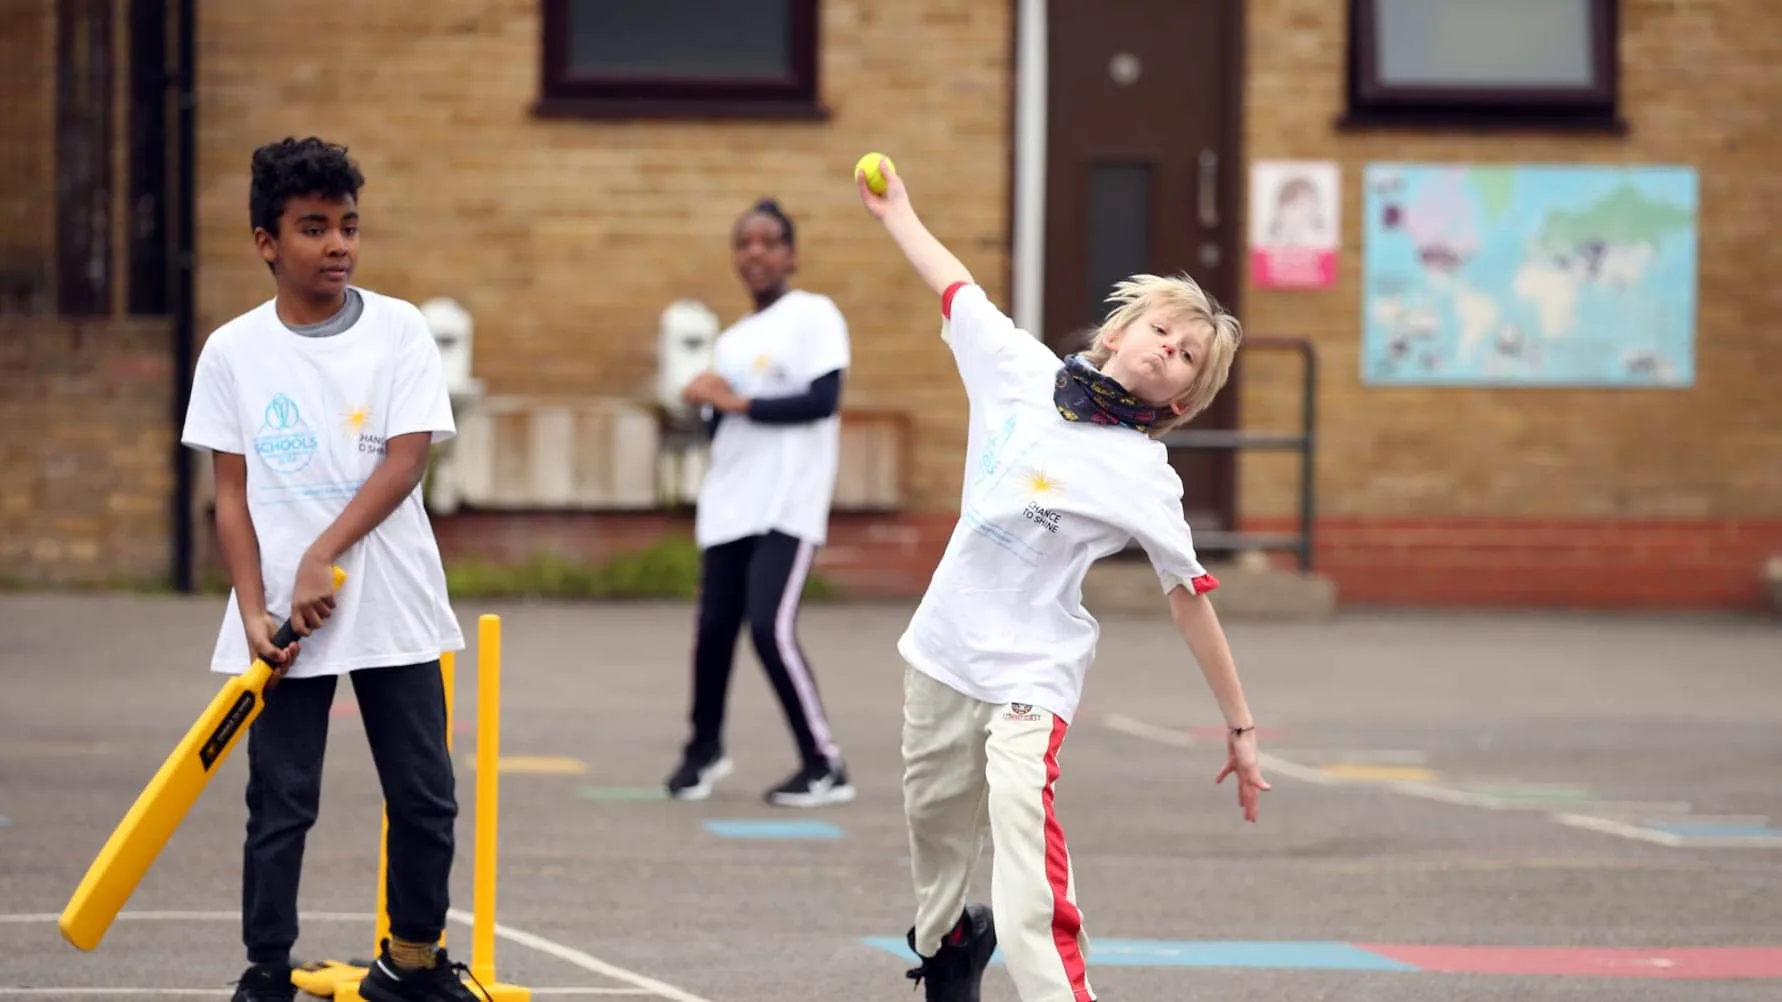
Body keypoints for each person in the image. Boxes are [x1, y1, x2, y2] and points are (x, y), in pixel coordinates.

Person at [854, 159, 1272, 1002]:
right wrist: (897, 209)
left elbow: (1190, 600)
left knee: (1019, 824)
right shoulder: (1017, 372)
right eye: (1162, 330)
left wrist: (1240, 725)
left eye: (1188, 355)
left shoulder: (1144, 474)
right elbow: (955, 286)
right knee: (935, 838)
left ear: (1186, 398)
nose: (1170, 349)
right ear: (1117, 332)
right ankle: (949, 947)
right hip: (943, 649)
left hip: (1030, 674)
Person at [180, 136, 481, 1002]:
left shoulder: (399, 329)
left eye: (348, 226)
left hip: (391, 602)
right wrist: (251, 611)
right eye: (313, 228)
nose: (339, 244)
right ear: (267, 242)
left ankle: (413, 964)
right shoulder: (233, 352)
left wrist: (322, 554)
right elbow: (230, 495)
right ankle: (265, 971)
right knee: (282, 803)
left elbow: (405, 460)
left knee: (425, 796)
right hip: (282, 619)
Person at [666, 197, 855, 807]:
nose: (756, 252)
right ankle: (704, 752)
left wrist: (738, 402)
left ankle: (824, 764)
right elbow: (719, 428)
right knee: (714, 631)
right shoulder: (732, 339)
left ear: (791, 254)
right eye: (744, 242)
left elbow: (822, 400)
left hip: (787, 501)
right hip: (729, 503)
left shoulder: (814, 315)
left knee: (769, 626)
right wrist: (704, 398)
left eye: (769, 241)